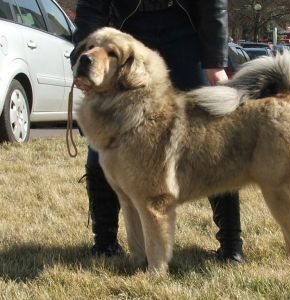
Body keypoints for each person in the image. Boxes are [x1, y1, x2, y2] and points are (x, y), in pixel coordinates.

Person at [71, 0, 244, 263]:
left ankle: (231, 245)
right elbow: (91, 5)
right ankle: (105, 243)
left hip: (186, 28)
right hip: (127, 31)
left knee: (213, 138)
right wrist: (82, 59)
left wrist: (215, 60)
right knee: (104, 146)